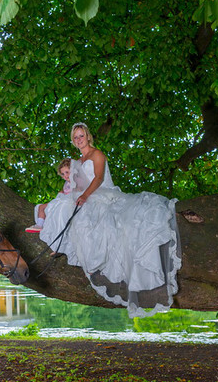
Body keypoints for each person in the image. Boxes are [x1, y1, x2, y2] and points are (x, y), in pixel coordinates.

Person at [38, 122, 182, 317]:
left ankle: (92, 262)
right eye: (75, 137)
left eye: (81, 136)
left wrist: (85, 196)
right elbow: (77, 184)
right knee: (62, 206)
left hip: (101, 193)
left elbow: (97, 179)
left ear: (88, 136)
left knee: (95, 219)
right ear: (73, 141)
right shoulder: (77, 162)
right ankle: (62, 244)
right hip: (86, 195)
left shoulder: (97, 154)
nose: (79, 140)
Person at [26, 158, 73, 233]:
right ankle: (39, 225)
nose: (65, 176)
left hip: (68, 202)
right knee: (41, 207)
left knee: (52, 209)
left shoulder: (76, 181)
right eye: (63, 174)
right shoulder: (66, 183)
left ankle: (42, 225)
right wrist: (60, 193)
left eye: (67, 172)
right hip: (61, 200)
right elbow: (63, 192)